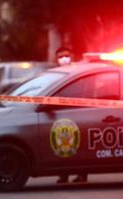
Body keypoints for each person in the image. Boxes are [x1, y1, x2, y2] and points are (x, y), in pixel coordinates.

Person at [54, 47, 88, 184]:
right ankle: (64, 174)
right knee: (62, 145)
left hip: (77, 112)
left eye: (66, 56)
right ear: (56, 59)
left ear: (72, 56)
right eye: (61, 57)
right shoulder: (56, 74)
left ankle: (82, 173)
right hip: (60, 115)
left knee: (79, 145)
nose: (64, 59)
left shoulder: (77, 72)